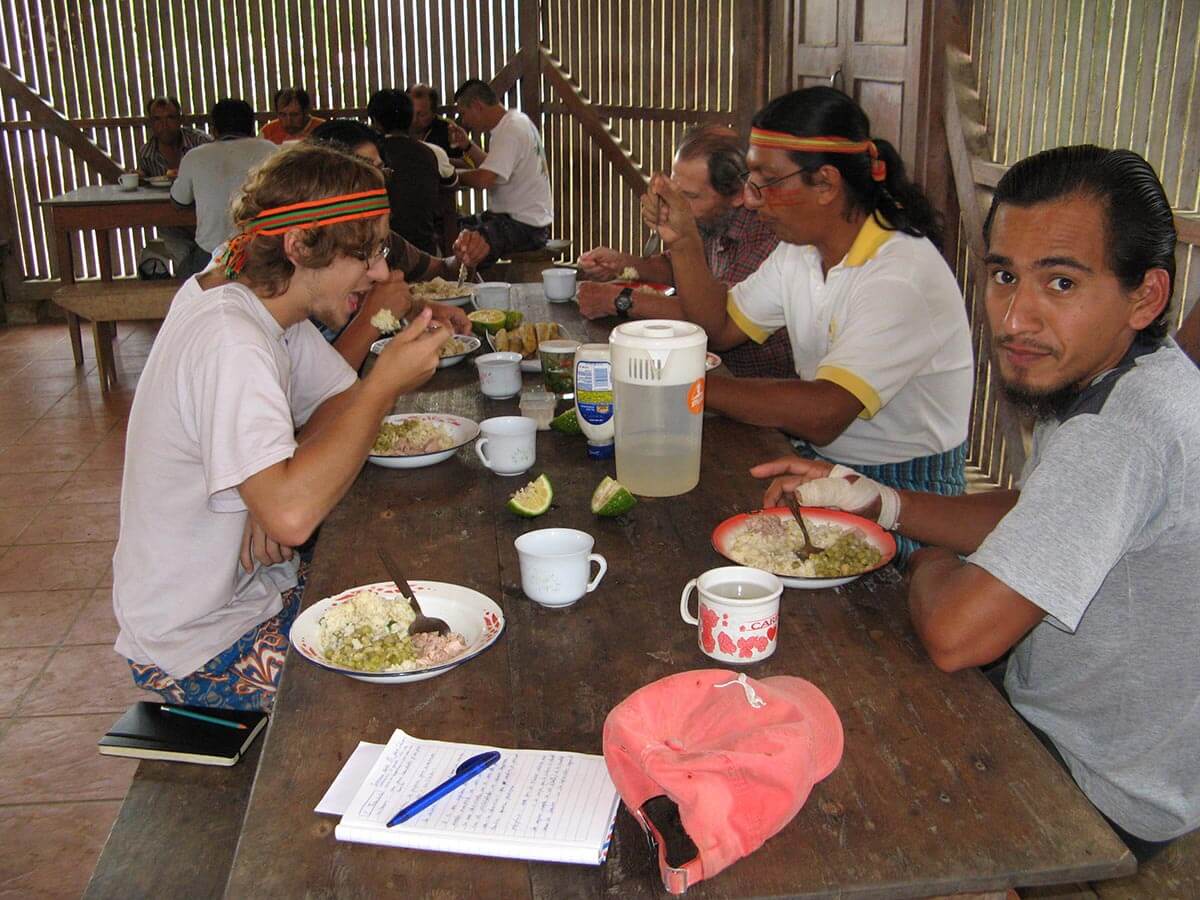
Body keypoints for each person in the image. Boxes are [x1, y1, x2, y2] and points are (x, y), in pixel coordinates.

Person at [754, 145, 1199, 861]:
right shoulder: (1130, 373)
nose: (1016, 318)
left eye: (1060, 282)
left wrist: (930, 555)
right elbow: (1036, 508)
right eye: (1003, 276)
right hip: (1118, 744)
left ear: (1144, 296)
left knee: (819, 773)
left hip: (1092, 778)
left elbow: (957, 636)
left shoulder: (1118, 434)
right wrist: (881, 504)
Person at [114, 142, 452, 711]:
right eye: (365, 253)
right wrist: (383, 385)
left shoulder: (263, 294)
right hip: (199, 642)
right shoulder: (231, 338)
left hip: (253, 594)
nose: (378, 272)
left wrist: (269, 483)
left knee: (435, 597)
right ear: (298, 244)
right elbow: (294, 518)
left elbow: (333, 403)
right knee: (414, 696)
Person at [644, 87, 973, 522]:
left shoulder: (899, 275)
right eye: (750, 179)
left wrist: (681, 388)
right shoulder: (800, 252)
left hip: (908, 492)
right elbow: (719, 326)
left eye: (766, 181)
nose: (749, 197)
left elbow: (824, 413)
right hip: (824, 465)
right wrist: (684, 239)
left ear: (825, 184)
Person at [577, 126, 789, 378]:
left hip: (755, 387)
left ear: (738, 195)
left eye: (689, 196)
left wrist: (618, 299)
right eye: (675, 192)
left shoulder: (768, 235)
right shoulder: (714, 218)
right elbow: (679, 269)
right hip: (712, 372)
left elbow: (712, 315)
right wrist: (624, 264)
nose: (676, 205)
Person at [307, 118, 484, 368]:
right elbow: (317, 395)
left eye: (380, 170)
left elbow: (444, 270)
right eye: (363, 171)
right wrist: (376, 317)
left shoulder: (381, 240)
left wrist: (464, 258)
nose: (377, 182)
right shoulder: (295, 274)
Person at [450, 79, 554, 268]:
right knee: (454, 229)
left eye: (464, 114)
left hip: (525, 227)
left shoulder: (511, 130)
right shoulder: (515, 121)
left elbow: (484, 179)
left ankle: (470, 293)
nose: (464, 121)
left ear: (477, 106)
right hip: (519, 222)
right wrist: (467, 146)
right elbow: (493, 168)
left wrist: (450, 174)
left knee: (470, 247)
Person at [170, 99, 277, 279]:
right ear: (252, 128)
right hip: (260, 251)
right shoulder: (271, 151)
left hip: (210, 255)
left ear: (214, 131)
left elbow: (179, 202)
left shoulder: (195, 156)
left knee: (177, 250)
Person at [367, 89, 448, 254]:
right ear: (411, 119)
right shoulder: (430, 152)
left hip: (382, 253)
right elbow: (451, 183)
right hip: (425, 249)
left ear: (375, 122)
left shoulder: (369, 155)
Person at [137, 96, 213, 177]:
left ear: (180, 120)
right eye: (157, 119)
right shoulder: (146, 154)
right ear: (150, 123)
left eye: (170, 118)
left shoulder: (201, 142)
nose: (164, 125)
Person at [261, 87, 325, 144]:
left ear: (306, 112)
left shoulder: (324, 129)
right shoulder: (268, 132)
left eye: (294, 115)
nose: (289, 121)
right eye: (283, 115)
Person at [408, 83, 455, 157]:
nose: (414, 120)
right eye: (410, 113)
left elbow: (466, 164)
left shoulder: (448, 129)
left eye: (422, 115)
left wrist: (434, 158)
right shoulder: (396, 128)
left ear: (434, 113)